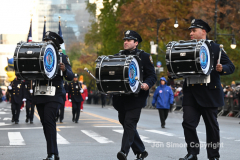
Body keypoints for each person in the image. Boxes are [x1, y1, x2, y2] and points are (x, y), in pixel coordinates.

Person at [176, 19, 235, 160]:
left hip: (209, 93)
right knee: (188, 124)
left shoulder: (215, 48)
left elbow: (231, 66)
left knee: (212, 127)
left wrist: (222, 69)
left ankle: (213, 156)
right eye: (190, 31)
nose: (190, 33)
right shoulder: (185, 47)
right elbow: (177, 65)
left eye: (193, 30)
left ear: (203, 32)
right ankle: (192, 153)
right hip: (191, 93)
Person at [113, 30, 157, 160]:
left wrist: (147, 84)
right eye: (125, 40)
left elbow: (152, 75)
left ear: (136, 43)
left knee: (129, 123)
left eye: (129, 40)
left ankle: (123, 152)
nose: (125, 42)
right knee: (125, 122)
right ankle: (141, 151)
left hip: (136, 97)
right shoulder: (118, 55)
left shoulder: (144, 56)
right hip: (121, 98)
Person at [32, 31, 74, 160]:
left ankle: (52, 154)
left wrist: (64, 70)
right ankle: (54, 153)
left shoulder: (62, 57)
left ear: (55, 44)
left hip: (54, 94)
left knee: (49, 121)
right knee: (45, 123)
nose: (45, 43)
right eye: (44, 40)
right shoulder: (38, 55)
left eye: (48, 41)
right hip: (40, 94)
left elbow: (70, 76)